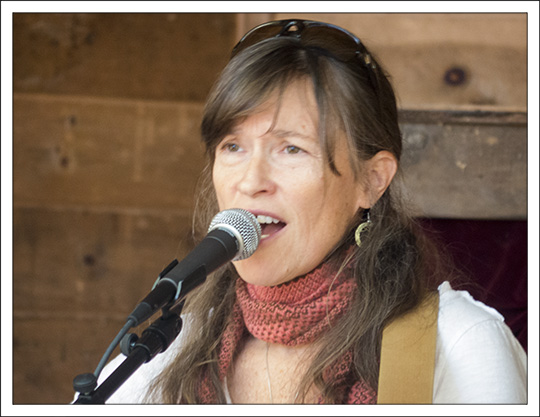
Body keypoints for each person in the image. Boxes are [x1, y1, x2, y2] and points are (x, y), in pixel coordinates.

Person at [92, 19, 527, 404]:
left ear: (371, 181)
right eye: (233, 146)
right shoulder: (161, 354)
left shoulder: (459, 346)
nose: (249, 179)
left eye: (291, 148)